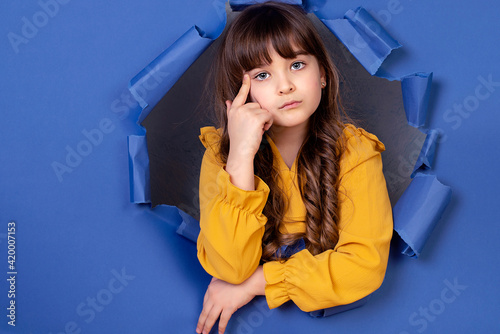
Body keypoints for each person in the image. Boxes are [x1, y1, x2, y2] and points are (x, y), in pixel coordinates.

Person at [195, 2, 393, 334]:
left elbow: (364, 266)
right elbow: (229, 267)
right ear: (240, 94)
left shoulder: (355, 152)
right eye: (262, 74)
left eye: (297, 65)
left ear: (323, 75)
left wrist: (257, 283)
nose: (285, 85)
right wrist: (241, 161)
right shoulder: (220, 157)